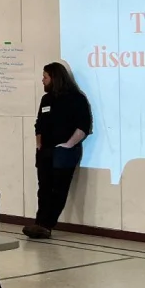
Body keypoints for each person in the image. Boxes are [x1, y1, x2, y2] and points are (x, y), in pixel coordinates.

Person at [24, 63, 93, 240]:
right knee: (44, 189)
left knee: (58, 190)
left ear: (55, 78)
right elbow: (39, 124)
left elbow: (83, 125)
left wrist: (69, 145)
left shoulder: (76, 99)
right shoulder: (46, 100)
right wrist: (39, 144)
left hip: (65, 152)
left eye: (45, 77)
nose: (42, 80)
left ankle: (46, 225)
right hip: (45, 151)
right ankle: (39, 223)